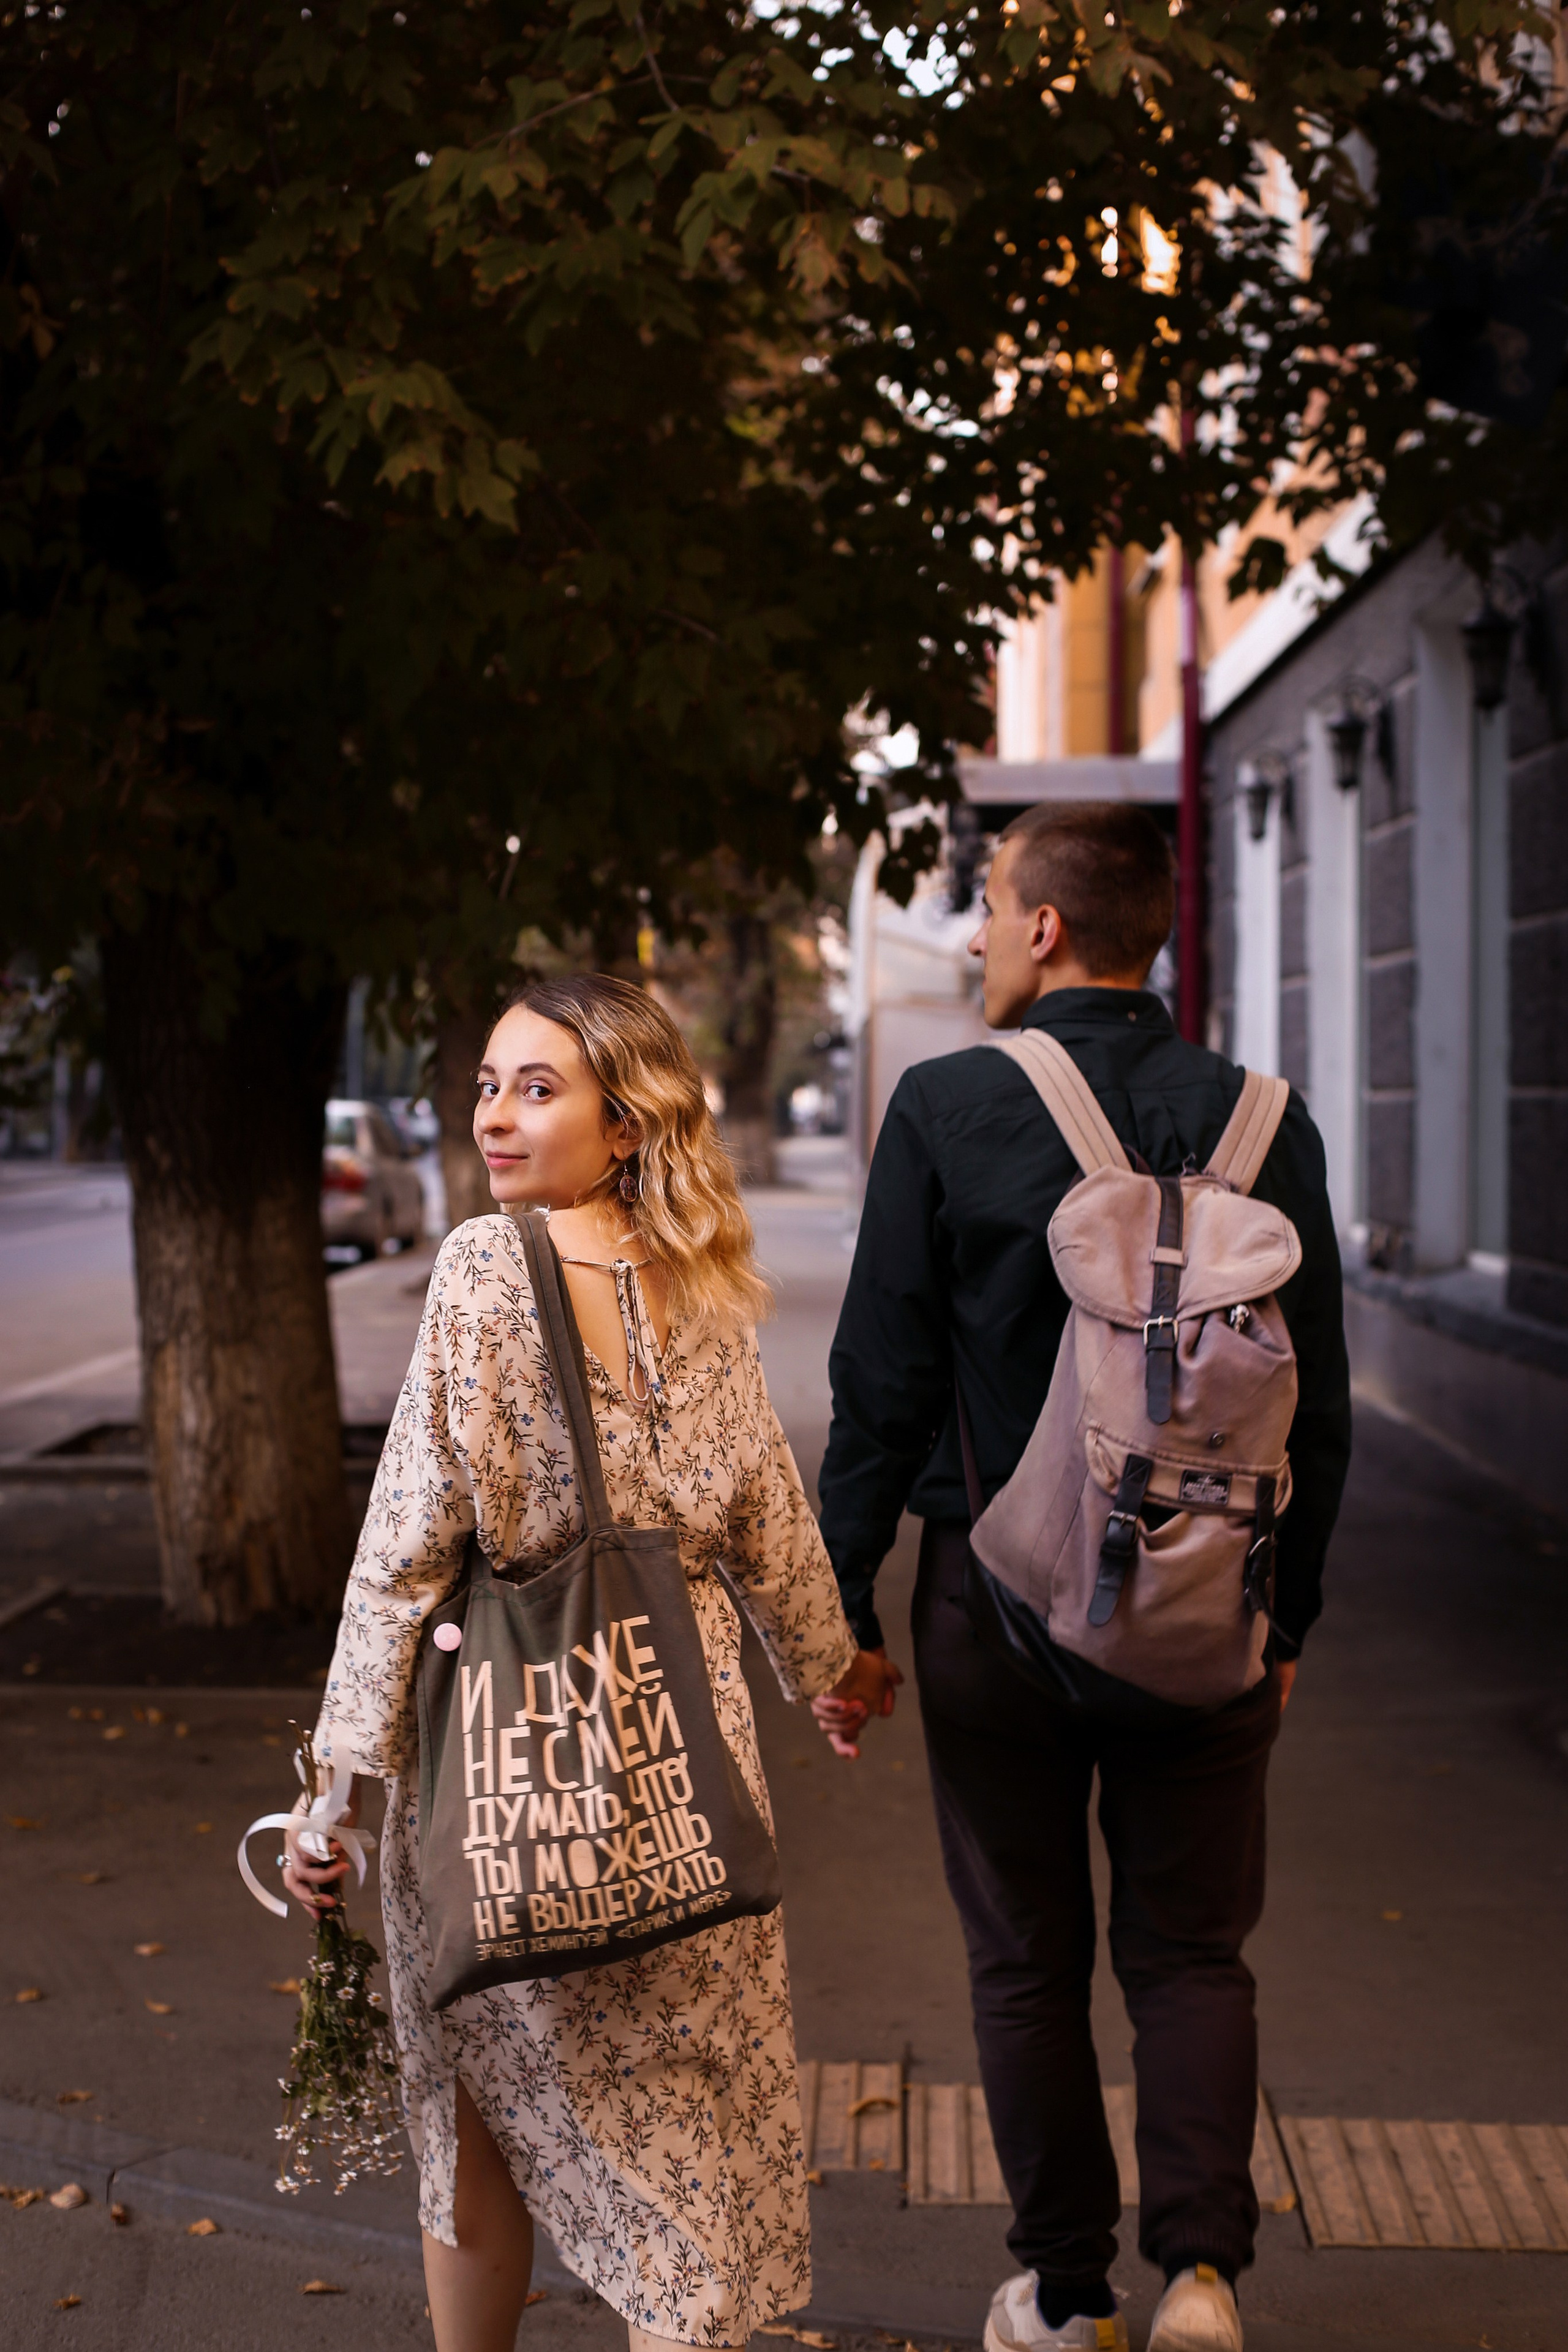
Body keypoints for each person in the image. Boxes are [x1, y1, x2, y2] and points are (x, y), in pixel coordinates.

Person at [812, 804, 1351, 2352]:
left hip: (993, 1614)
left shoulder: (946, 1107)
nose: (976, 933)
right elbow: (1318, 1406)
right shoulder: (1269, 1120)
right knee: (1190, 1951)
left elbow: (882, 1388)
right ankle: (1199, 2281)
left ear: (1043, 927)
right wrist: (1286, 1613)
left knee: (1024, 1957)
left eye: (986, 904)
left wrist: (839, 1612)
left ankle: (1063, 2296)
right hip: (1211, 1606)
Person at [283, 973, 861, 2352]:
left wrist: (335, 1786)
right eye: (488, 1083)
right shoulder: (703, 1279)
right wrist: (830, 1668)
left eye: (537, 1087)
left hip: (511, 1759)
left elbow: (410, 1538)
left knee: (476, 2109)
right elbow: (765, 1511)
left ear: (624, 1122)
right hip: (684, 1756)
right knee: (681, 2147)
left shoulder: (488, 1269)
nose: (494, 1114)